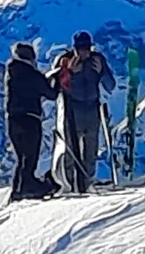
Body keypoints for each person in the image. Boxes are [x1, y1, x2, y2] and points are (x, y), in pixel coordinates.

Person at [49, 30, 116, 193]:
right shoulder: (64, 60)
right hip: (72, 109)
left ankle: (87, 183)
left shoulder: (97, 60)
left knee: (91, 150)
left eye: (86, 48)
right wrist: (69, 72)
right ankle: (70, 184)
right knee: (70, 149)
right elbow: (54, 87)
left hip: (92, 108)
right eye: (80, 48)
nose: (83, 52)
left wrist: (101, 72)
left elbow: (110, 85)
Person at [3, 42, 56, 200]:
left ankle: (18, 189)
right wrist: (55, 79)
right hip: (30, 118)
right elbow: (51, 93)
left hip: (13, 119)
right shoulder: (32, 74)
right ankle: (29, 187)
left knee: (22, 157)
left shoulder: (11, 72)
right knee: (30, 156)